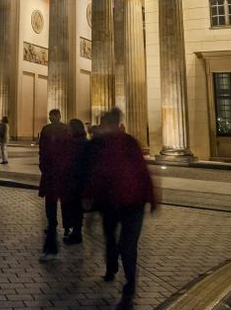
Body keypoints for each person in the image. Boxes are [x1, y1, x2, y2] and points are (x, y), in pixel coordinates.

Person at [84, 109, 157, 310]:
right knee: (118, 242)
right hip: (118, 202)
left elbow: (141, 171)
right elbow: (98, 173)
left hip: (128, 202)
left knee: (123, 244)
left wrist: (89, 196)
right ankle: (117, 272)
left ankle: (127, 282)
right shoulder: (115, 143)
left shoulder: (119, 143)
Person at [38, 108, 70, 262]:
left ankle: (63, 224)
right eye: (50, 115)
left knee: (60, 200)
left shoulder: (63, 129)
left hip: (58, 171)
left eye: (54, 115)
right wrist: (42, 165)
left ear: (59, 116)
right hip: (53, 171)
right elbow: (42, 149)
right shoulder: (49, 129)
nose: (52, 117)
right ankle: (54, 222)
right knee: (53, 200)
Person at [62, 118, 88, 245]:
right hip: (81, 180)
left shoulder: (72, 143)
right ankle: (76, 232)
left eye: (69, 127)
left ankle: (76, 234)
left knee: (74, 208)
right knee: (77, 209)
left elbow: (68, 161)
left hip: (74, 180)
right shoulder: (85, 142)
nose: (67, 129)